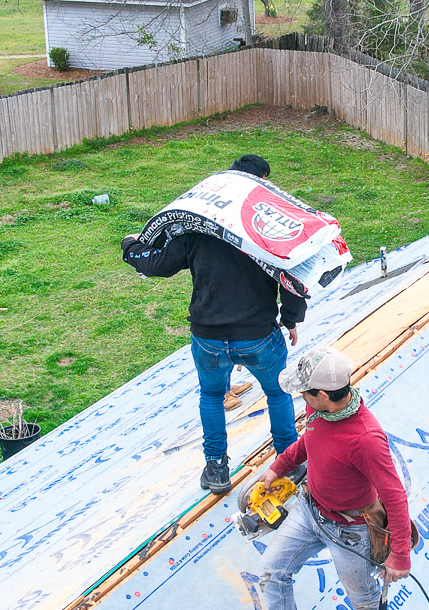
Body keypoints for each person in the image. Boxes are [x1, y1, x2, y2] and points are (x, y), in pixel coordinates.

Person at [123, 153, 304, 493]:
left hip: (208, 337)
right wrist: (291, 319)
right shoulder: (265, 225)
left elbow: (157, 264)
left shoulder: (198, 227)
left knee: (210, 396)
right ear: (260, 182)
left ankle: (217, 470)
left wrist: (130, 246)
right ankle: (289, 462)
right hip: (259, 335)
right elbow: (293, 274)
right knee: (278, 394)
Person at [233, 348, 411, 610]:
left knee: (364, 599)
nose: (302, 398)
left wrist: (399, 554)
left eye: (305, 392)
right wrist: (277, 468)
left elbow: (394, 496)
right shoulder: (320, 414)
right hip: (309, 509)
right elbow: (307, 444)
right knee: (272, 570)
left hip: (350, 530)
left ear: (325, 395)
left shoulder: (366, 439)